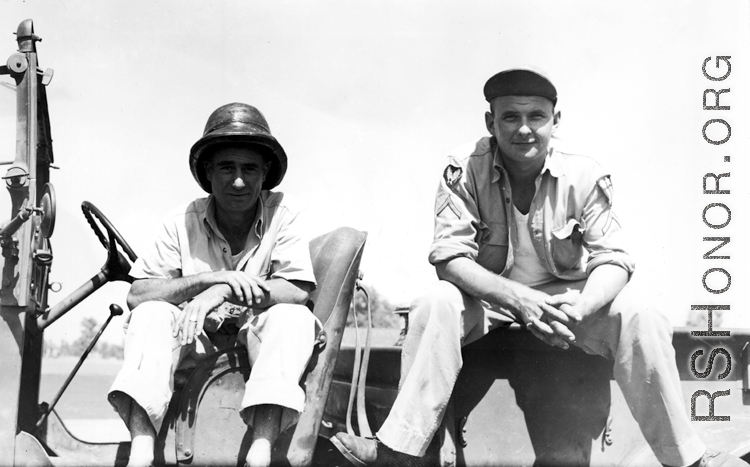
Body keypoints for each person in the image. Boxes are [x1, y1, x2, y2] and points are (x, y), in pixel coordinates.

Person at [331, 68, 748, 467]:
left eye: (536, 116)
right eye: (510, 116)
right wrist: (517, 298)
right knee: (434, 301)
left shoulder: (584, 172)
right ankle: (402, 452)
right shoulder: (464, 168)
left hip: (565, 300)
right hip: (488, 298)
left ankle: (686, 458)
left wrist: (584, 307)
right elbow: (449, 257)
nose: (524, 129)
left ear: (556, 120)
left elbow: (613, 259)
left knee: (642, 313)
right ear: (490, 121)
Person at [108, 103, 318, 467]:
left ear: (265, 171)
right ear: (208, 171)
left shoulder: (285, 212)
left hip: (256, 336)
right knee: (151, 314)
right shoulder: (180, 221)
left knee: (293, 317)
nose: (238, 181)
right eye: (226, 167)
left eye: (250, 168)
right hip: (194, 339)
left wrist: (224, 291)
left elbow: (298, 289)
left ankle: (261, 450)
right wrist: (210, 279)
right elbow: (137, 293)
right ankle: (141, 448)